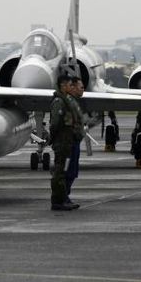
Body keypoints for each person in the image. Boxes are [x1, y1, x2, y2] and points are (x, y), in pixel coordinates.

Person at [49, 75, 84, 211]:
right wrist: (54, 139)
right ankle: (58, 201)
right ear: (63, 86)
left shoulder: (68, 100)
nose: (72, 87)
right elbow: (55, 124)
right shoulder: (59, 101)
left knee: (67, 171)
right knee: (60, 172)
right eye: (69, 85)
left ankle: (63, 198)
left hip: (69, 141)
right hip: (63, 143)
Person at [65, 77, 86, 207]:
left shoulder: (74, 102)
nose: (83, 89)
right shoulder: (67, 103)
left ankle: (65, 197)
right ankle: (62, 198)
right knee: (66, 172)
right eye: (80, 87)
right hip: (68, 143)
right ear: (72, 87)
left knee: (72, 172)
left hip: (74, 141)